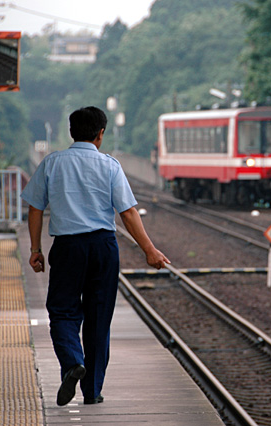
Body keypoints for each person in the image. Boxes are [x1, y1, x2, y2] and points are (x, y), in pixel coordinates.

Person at [21, 106, 170, 406]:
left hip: (67, 247)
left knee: (62, 311)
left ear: (71, 131)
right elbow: (127, 213)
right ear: (101, 134)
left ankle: (73, 362)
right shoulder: (110, 166)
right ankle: (92, 392)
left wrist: (36, 249)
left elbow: (35, 208)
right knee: (98, 319)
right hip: (103, 247)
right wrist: (149, 251)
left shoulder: (52, 163)